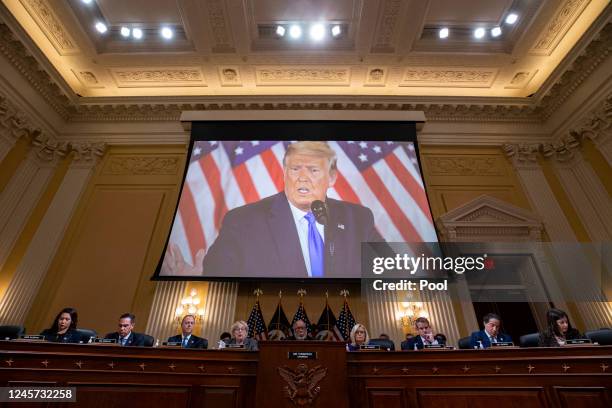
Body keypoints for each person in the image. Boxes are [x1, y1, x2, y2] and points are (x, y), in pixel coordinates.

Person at [197, 141, 383, 278]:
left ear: (332, 178)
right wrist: (199, 279)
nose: (302, 178)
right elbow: (216, 273)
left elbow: (391, 271)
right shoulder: (242, 221)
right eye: (295, 169)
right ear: (285, 174)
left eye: (313, 170)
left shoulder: (358, 219)